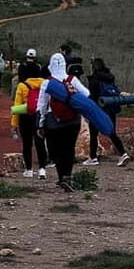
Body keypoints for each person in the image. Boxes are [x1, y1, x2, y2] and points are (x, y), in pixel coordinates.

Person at [36, 53, 90, 192]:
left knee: (55, 150)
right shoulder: (73, 80)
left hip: (53, 121)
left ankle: (62, 177)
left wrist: (40, 124)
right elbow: (86, 94)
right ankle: (67, 176)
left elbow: (42, 106)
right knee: (69, 148)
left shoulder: (47, 82)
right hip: (73, 120)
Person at [85, 57, 131, 167]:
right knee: (111, 132)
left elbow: (92, 96)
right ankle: (123, 154)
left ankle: (93, 157)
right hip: (111, 108)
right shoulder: (110, 78)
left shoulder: (94, 80)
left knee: (93, 133)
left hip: (98, 110)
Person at [11, 65, 47, 179]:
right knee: (40, 143)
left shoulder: (22, 85)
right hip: (40, 116)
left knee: (27, 144)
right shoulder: (44, 84)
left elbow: (17, 106)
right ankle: (42, 169)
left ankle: (29, 170)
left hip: (25, 117)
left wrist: (14, 125)